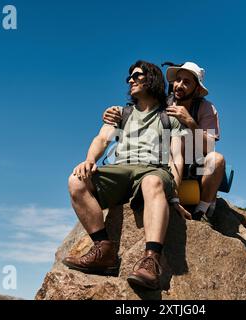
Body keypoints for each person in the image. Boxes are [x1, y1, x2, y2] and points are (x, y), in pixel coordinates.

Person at [63, 60, 190, 290]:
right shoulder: (121, 113)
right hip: (121, 169)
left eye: (137, 76)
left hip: (153, 170)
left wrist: (174, 195)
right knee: (76, 180)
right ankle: (104, 251)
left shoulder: (169, 117)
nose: (130, 80)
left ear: (151, 78)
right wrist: (89, 160)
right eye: (129, 77)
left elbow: (176, 157)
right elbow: (102, 139)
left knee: (152, 181)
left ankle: (151, 260)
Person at [103, 62, 225, 222]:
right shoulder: (163, 102)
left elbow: (208, 147)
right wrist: (112, 113)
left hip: (195, 163)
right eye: (178, 80)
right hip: (163, 163)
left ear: (197, 89)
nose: (179, 85)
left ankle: (201, 211)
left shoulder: (206, 108)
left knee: (216, 160)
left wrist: (189, 121)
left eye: (187, 82)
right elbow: (137, 110)